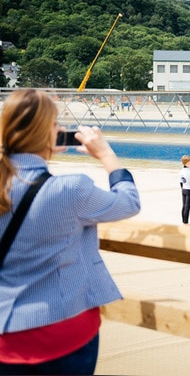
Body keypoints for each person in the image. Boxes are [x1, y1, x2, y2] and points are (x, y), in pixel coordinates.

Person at [0, 89, 141, 375]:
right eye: (56, 125)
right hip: (61, 332)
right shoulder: (70, 189)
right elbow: (128, 202)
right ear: (45, 134)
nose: (61, 130)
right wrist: (106, 154)